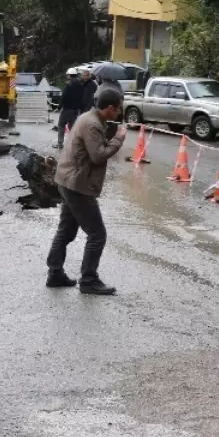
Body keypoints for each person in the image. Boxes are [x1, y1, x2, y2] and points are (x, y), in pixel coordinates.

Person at [46, 85, 126, 296]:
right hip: (77, 184)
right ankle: (89, 279)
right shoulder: (92, 124)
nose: (119, 113)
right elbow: (98, 155)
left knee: (66, 231)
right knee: (97, 234)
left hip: (67, 180)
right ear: (109, 108)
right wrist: (119, 139)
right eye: (118, 109)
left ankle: (55, 273)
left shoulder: (90, 119)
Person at [55, 68, 83, 149]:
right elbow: (81, 97)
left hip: (67, 109)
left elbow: (63, 97)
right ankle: (73, 144)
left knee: (61, 125)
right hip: (75, 110)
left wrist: (59, 106)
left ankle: (60, 143)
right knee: (72, 127)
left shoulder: (69, 84)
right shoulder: (80, 85)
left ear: (69, 75)